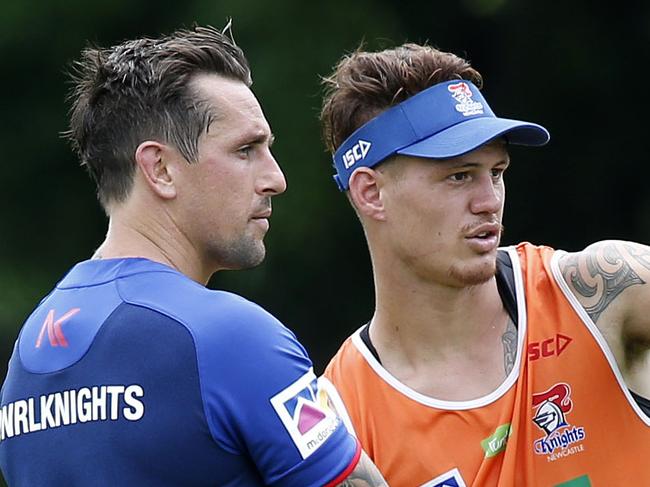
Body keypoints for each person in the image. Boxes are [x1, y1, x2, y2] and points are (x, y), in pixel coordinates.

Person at [0, 24, 388, 487]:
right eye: (245, 150)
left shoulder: (26, 362)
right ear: (159, 168)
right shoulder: (230, 338)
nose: (276, 179)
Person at [319, 42, 650, 486]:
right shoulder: (340, 419)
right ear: (371, 193)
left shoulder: (601, 291)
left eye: (496, 172)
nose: (489, 201)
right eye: (459, 176)